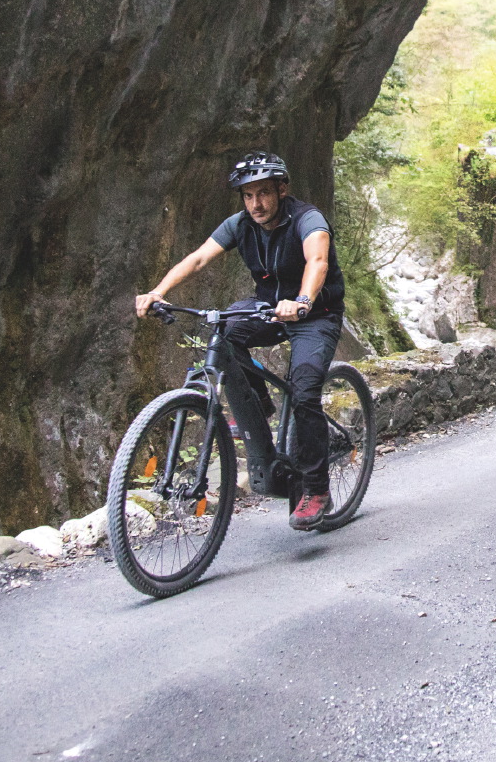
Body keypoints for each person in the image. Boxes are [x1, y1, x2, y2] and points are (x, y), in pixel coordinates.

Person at [135, 152, 345, 530]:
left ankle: (315, 488)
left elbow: (317, 262)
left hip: (315, 314)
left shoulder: (307, 219)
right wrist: (159, 291)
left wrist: (302, 302)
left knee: (303, 389)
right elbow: (199, 258)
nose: (256, 204)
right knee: (226, 333)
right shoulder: (241, 224)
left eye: (263, 193)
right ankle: (259, 407)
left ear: (282, 190)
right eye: (248, 196)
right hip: (266, 307)